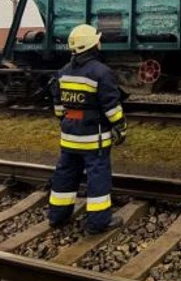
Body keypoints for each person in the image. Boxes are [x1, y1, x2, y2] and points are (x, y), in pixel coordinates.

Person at [48, 24, 128, 234]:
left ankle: (57, 217)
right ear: (92, 45)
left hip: (69, 138)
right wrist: (120, 126)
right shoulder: (102, 73)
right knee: (98, 178)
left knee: (65, 175)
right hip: (94, 140)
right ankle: (99, 222)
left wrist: (68, 121)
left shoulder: (63, 73)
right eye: (97, 39)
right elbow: (111, 107)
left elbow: (58, 108)